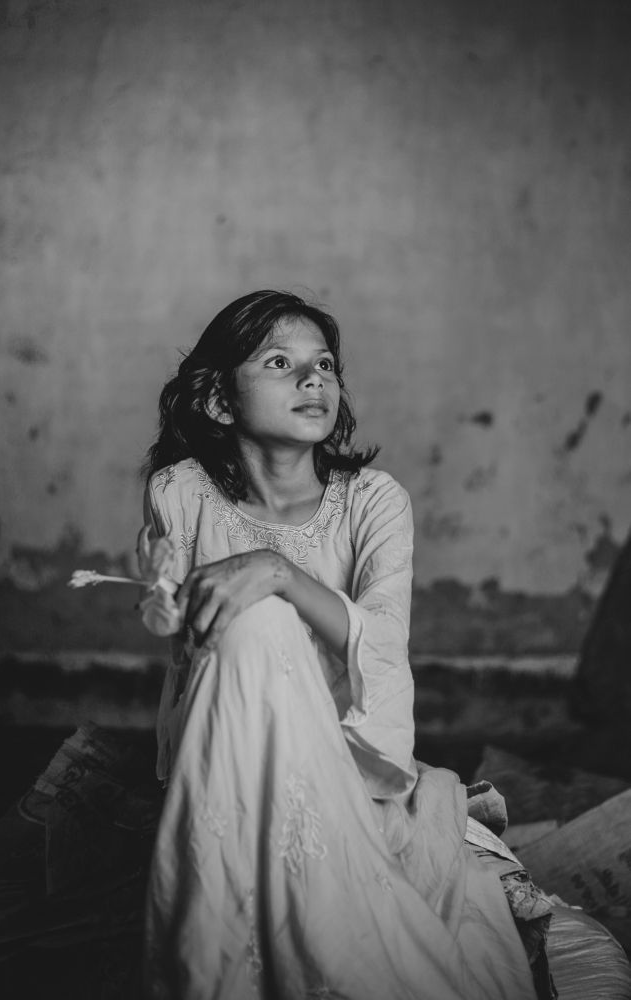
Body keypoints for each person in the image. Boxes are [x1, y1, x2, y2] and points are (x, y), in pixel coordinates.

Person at [137, 290, 549, 1000]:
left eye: (325, 364)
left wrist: (278, 573)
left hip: (352, 764)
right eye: (280, 363)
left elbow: (383, 644)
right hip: (231, 752)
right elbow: (183, 642)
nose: (314, 380)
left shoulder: (373, 500)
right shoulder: (179, 491)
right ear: (218, 401)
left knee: (265, 614)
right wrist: (164, 596)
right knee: (253, 626)